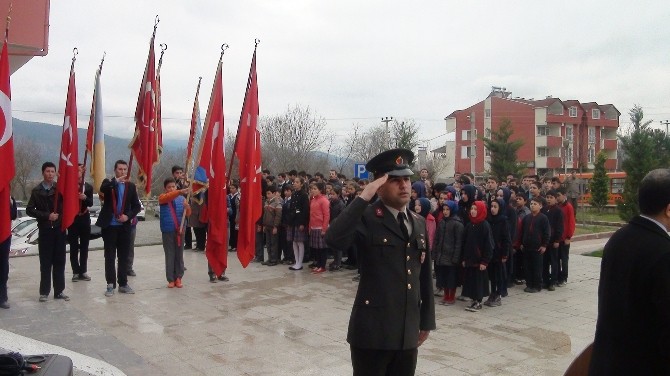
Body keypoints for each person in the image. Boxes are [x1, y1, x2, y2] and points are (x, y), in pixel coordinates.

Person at [325, 148, 435, 376]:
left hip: (407, 331)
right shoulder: (366, 217)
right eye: (395, 180)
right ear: (379, 184)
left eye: (407, 179)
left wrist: (426, 321)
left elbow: (423, 275)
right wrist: (364, 197)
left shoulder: (418, 222)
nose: (404, 185)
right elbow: (334, 240)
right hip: (372, 333)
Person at [589, 169, 670, 375]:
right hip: (643, 365)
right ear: (668, 210)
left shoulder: (618, 238)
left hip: (608, 361)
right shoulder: (663, 251)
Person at [97, 160, 142, 297]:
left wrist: (127, 217)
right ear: (115, 170)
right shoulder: (109, 183)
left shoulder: (130, 186)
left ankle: (123, 283)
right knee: (110, 256)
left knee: (123, 256)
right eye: (120, 169)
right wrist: (115, 181)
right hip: (110, 226)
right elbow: (103, 189)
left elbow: (136, 206)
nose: (122, 172)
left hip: (124, 226)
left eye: (124, 169)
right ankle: (110, 284)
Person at [27, 162, 69, 302]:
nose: (50, 174)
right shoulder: (36, 191)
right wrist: (46, 216)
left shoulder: (60, 189)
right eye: (47, 171)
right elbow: (30, 210)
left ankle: (59, 291)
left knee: (59, 261)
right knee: (45, 262)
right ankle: (44, 291)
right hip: (45, 230)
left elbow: (68, 205)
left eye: (52, 171)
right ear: (43, 173)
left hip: (59, 229)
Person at [461, 201, 493, 312]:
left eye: (475, 209)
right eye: (472, 209)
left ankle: (478, 301)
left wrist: (485, 261)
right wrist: (464, 258)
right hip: (470, 260)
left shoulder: (484, 225)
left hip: (479, 261)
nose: (473, 211)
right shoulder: (470, 225)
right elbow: (464, 243)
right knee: (470, 281)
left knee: (478, 282)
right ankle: (473, 300)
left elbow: (489, 245)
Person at [158, 178, 190, 288]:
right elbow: (169, 197)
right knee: (169, 255)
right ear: (165, 189)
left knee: (179, 255)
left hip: (180, 231)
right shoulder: (162, 198)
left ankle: (178, 278)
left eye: (173, 186)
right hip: (167, 231)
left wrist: (188, 208)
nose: (171, 189)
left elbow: (188, 214)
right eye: (169, 187)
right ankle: (170, 279)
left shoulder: (182, 199)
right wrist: (179, 191)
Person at [432, 200, 463, 305]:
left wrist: (455, 257)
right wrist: (435, 253)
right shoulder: (441, 222)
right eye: (444, 209)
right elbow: (437, 239)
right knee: (443, 278)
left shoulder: (457, 224)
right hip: (441, 256)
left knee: (451, 279)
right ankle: (445, 296)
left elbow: (459, 243)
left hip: (451, 257)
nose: (445, 212)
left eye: (447, 209)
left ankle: (451, 297)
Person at [68, 164, 93, 282]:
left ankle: (83, 270)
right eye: (77, 170)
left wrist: (85, 198)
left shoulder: (87, 187)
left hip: (84, 217)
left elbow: (91, 203)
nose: (79, 172)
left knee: (84, 246)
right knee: (73, 246)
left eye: (81, 170)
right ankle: (75, 271)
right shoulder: (69, 186)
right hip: (73, 218)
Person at [0, 195, 17, 308]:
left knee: (3, 268)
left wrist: (9, 202)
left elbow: (13, 215)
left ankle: (2, 297)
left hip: (4, 236)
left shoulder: (8, 198)